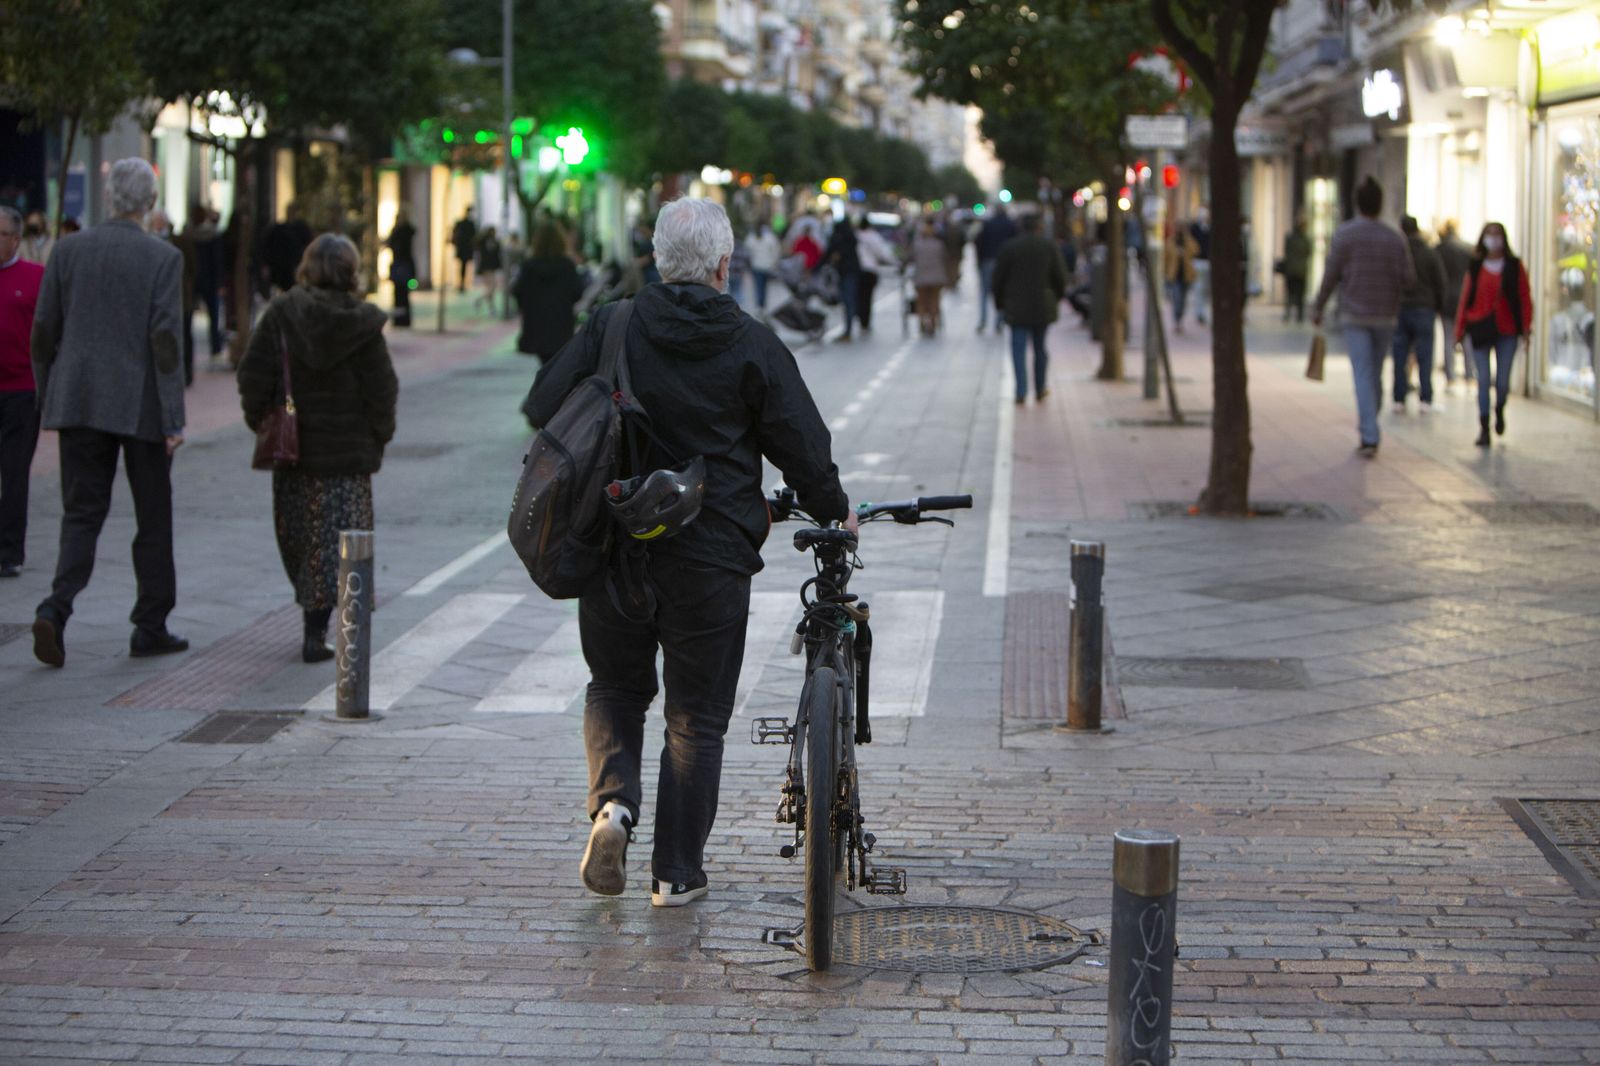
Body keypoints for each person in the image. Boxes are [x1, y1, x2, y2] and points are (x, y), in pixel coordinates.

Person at [526, 197, 854, 908]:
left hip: (615, 542)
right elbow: (802, 445)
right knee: (696, 716)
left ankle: (613, 808)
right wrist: (835, 509)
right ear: (724, 264)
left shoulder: (613, 324)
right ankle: (676, 874)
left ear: (656, 258)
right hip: (711, 556)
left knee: (615, 687)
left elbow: (542, 402)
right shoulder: (752, 343)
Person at [29, 158, 188, 666]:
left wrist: (48, 393)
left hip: (78, 397)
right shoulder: (162, 257)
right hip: (140, 401)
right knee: (153, 515)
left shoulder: (68, 250)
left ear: (109, 196)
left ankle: (56, 607)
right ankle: (150, 623)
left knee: (81, 512)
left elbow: (42, 330)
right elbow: (165, 340)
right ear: (151, 203)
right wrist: (173, 417)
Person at [237, 234, 398, 662]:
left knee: (305, 542)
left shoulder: (281, 314)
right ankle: (333, 630)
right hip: (348, 456)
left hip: (297, 456)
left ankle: (314, 627)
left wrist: (263, 421)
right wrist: (378, 436)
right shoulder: (363, 324)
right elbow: (382, 389)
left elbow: (253, 375)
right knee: (346, 544)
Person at [1311, 176, 1415, 459]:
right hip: (1385, 314)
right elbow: (1408, 278)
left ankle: (1369, 432)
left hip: (1355, 313)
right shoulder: (1395, 238)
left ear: (1357, 203)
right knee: (1375, 371)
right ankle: (1370, 425)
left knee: (1363, 372)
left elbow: (1331, 273)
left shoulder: (1346, 234)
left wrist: (1318, 306)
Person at [1452, 221, 1533, 448]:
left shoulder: (1514, 266)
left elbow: (1525, 298)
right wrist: (1459, 331)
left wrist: (1526, 329)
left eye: (1497, 234)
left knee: (1503, 381)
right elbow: (1466, 298)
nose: (1494, 238)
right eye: (1490, 234)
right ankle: (1484, 427)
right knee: (1484, 379)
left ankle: (1500, 408)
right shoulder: (1476, 266)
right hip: (1480, 328)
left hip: (1508, 330)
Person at [0, 206, 44, 578]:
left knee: (14, 472)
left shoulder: (36, 277)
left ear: (15, 239)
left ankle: (9, 551)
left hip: (21, 391)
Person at [992, 213, 1068, 404]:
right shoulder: (1049, 246)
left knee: (1018, 349)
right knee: (1040, 348)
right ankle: (1040, 388)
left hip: (1016, 307)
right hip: (1042, 305)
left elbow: (998, 279)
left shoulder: (1009, 247)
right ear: (1039, 227)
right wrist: (1056, 297)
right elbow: (1060, 276)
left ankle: (1021, 390)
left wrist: (1000, 303)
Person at [1392, 215, 1450, 413]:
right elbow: (1440, 282)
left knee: (1400, 355)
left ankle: (1399, 398)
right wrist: (1438, 306)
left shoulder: (1398, 252)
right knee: (1425, 355)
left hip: (1402, 308)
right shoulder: (1429, 253)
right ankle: (1426, 398)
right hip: (1425, 309)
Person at [513, 221, 586, 365]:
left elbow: (518, 292)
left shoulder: (529, 266)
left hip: (536, 325)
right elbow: (578, 291)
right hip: (561, 324)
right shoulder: (567, 266)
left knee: (544, 363)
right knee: (556, 364)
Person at [1436, 220, 1476, 386]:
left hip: (1447, 299)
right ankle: (1470, 375)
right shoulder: (1468, 248)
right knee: (1467, 339)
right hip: (1464, 297)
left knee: (1448, 338)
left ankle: (1451, 377)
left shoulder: (1439, 249)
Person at [974, 205, 1018, 334]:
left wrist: (980, 261)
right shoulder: (1010, 224)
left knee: (985, 292)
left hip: (988, 260)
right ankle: (999, 321)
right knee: (1002, 292)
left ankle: (983, 320)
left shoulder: (988, 224)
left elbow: (979, 242)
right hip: (1004, 262)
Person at [190, 207, 226, 360]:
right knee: (214, 316)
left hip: (196, 280)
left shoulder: (190, 235)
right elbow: (217, 261)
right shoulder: (212, 235)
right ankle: (215, 347)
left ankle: (190, 350)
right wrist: (219, 282)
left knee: (189, 317)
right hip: (209, 280)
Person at [261, 203, 313, 295]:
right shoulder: (278, 229)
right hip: (281, 268)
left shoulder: (302, 229)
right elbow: (268, 247)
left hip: (296, 266)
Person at [823, 214, 860, 342]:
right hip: (848, 273)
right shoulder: (850, 239)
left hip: (846, 273)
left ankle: (848, 330)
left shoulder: (841, 239)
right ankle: (848, 329)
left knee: (848, 301)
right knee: (848, 302)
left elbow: (829, 253)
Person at [910, 217, 949, 336]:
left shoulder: (917, 245)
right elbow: (945, 259)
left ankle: (922, 320)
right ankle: (932, 323)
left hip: (921, 277)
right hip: (937, 278)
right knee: (934, 301)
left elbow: (910, 258)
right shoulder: (939, 245)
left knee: (921, 302)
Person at [855, 216, 893, 334]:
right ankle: (865, 322)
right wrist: (895, 262)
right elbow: (882, 253)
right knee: (867, 298)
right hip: (870, 270)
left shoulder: (855, 236)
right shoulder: (874, 237)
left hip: (857, 271)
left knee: (859, 297)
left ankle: (861, 318)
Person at [1165, 220, 1199, 335]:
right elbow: (1166, 258)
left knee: (1183, 300)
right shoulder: (1170, 241)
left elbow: (1196, 250)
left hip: (1186, 275)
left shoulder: (1189, 241)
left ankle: (1180, 318)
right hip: (1174, 275)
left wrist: (1185, 251)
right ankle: (1177, 320)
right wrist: (1166, 274)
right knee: (1177, 298)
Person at [386, 209, 417, 328]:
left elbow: (394, 245)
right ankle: (403, 319)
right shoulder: (406, 231)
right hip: (404, 265)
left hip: (401, 265)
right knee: (403, 294)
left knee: (400, 294)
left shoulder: (400, 232)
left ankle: (401, 319)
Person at [1281, 216, 1311, 324]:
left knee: (1290, 294)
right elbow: (1308, 252)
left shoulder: (1290, 238)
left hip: (1291, 271)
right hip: (1300, 271)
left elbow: (1286, 251)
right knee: (1299, 295)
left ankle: (1288, 313)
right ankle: (1299, 315)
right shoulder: (1305, 240)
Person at [747, 221, 781, 313]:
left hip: (760, 266)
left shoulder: (752, 238)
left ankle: (761, 305)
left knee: (760, 287)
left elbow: (748, 252)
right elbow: (776, 251)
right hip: (763, 266)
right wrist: (774, 262)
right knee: (763, 287)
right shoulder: (769, 238)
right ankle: (762, 305)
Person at [1189, 208, 1212, 325]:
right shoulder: (1194, 228)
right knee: (1198, 287)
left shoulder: (1210, 229)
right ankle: (1199, 312)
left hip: (1208, 262)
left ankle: (1203, 311)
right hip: (1197, 262)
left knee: (1205, 289)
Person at [475, 225, 503, 314]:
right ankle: (488, 306)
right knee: (491, 287)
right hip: (486, 267)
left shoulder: (493, 241)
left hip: (490, 267)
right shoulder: (484, 241)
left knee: (491, 288)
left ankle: (489, 306)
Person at [452, 208, 477, 290]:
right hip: (464, 248)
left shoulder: (465, 223)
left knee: (463, 266)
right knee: (463, 266)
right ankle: (461, 283)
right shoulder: (467, 224)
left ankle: (462, 283)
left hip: (464, 248)